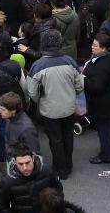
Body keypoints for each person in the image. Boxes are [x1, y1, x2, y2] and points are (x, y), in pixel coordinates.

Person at [24, 30, 83, 180]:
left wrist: (40, 100)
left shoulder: (37, 65)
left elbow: (33, 92)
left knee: (55, 139)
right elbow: (79, 85)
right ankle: (68, 165)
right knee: (68, 136)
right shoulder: (70, 61)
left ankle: (61, 169)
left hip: (49, 109)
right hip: (69, 107)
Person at [82, 33, 110, 164]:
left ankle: (105, 155)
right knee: (106, 128)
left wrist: (83, 80)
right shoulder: (108, 59)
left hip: (104, 104)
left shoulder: (102, 64)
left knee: (103, 129)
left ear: (104, 48)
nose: (92, 47)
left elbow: (97, 86)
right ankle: (107, 148)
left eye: (95, 45)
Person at [0, 142, 61, 213]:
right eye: (20, 164)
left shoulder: (47, 171)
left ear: (32, 158)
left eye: (27, 162)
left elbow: (58, 192)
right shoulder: (7, 181)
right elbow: (2, 206)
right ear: (15, 162)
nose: (25, 168)